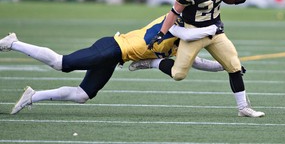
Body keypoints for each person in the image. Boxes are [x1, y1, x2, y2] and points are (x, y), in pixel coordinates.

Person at [0, 14, 224, 115]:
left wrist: (225, 65)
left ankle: (32, 96)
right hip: (112, 47)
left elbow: (196, 62)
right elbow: (183, 30)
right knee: (61, 63)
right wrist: (212, 29)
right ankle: (14, 43)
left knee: (82, 95)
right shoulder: (173, 24)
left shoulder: (178, 45)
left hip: (115, 58)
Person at [146, 0, 265, 117]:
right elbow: (174, 12)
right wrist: (161, 33)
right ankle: (152, 63)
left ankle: (243, 108)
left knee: (234, 65)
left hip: (215, 31)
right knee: (178, 74)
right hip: (193, 32)